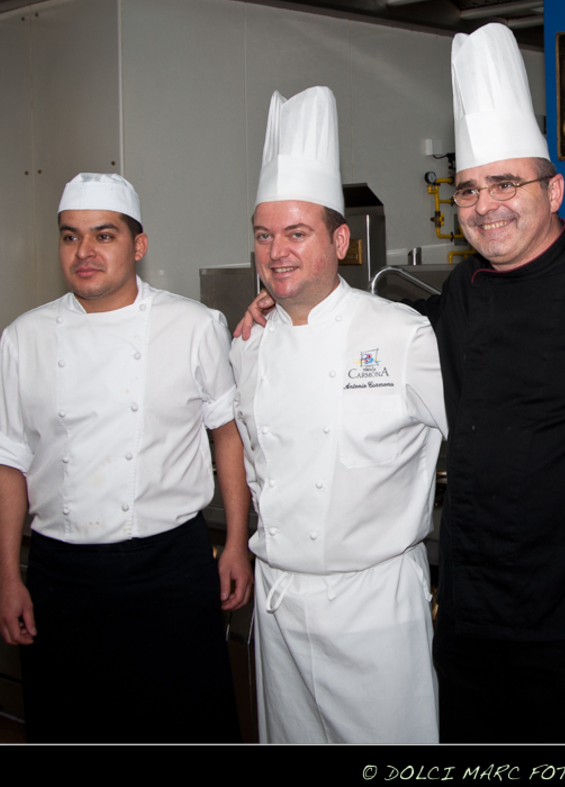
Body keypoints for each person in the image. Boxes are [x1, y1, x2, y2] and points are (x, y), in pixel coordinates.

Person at [238, 24, 565, 743]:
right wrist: (284, 299)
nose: (485, 205)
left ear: (555, 189)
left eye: (507, 183)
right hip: (476, 620)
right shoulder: (461, 297)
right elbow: (364, 333)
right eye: (470, 189)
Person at [0, 172, 250, 744]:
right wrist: (8, 575)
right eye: (70, 236)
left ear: (138, 245)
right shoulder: (25, 339)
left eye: (104, 235)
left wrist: (237, 544)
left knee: (185, 725)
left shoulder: (193, 325)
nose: (85, 253)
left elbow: (228, 436)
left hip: (171, 565)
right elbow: (6, 459)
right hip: (61, 574)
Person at [231, 86, 447, 744]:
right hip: (279, 604)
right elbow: (246, 456)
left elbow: (479, 442)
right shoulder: (247, 344)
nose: (278, 252)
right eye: (265, 235)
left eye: (298, 233)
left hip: (375, 609)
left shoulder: (404, 335)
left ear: (342, 239)